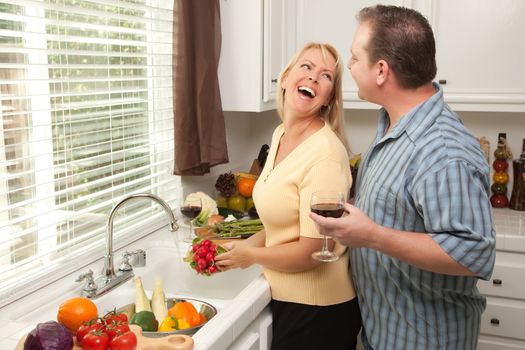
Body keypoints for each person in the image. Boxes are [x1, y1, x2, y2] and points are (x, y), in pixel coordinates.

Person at [309, 5, 496, 350]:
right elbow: (401, 210)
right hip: (385, 333)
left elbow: (474, 253)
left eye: (353, 57)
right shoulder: (392, 126)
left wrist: (373, 235)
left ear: (381, 70)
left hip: (425, 341)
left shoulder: (442, 149)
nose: (347, 66)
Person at [215, 43, 362, 350]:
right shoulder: (281, 133)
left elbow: (313, 250)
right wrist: (241, 248)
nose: (313, 78)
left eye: (326, 76)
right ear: (285, 78)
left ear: (327, 99)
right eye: (306, 67)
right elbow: (284, 224)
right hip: (293, 302)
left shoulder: (325, 155)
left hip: (319, 312)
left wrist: (250, 257)